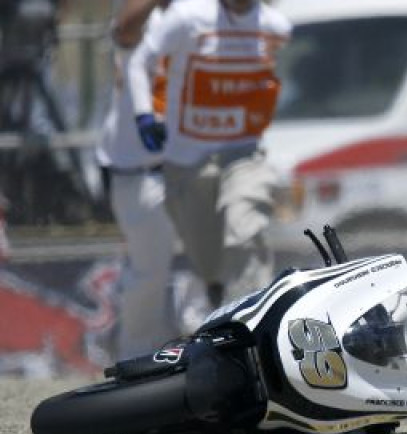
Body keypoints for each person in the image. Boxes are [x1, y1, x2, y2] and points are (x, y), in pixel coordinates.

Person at [126, 0, 291, 308]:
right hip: (187, 161)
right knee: (206, 261)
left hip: (243, 154)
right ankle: (218, 294)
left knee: (245, 231)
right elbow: (140, 62)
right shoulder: (187, 17)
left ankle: (254, 319)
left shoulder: (275, 27)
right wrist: (144, 115)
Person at [97, 0, 178, 359]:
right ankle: (134, 360)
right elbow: (124, 30)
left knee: (208, 268)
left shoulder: (205, 14)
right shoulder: (148, 18)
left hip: (194, 167)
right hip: (142, 172)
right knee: (149, 274)